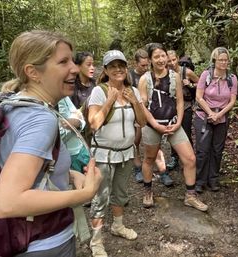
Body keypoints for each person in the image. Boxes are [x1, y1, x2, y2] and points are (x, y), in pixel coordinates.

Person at [0, 30, 101, 257]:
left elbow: (21, 166)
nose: (74, 68)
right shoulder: (40, 119)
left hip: (20, 239)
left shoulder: (13, 104)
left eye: (72, 60)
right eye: (63, 62)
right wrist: (86, 194)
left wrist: (70, 174)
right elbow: (7, 201)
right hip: (44, 243)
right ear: (33, 72)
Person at [88, 50, 147, 257]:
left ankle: (118, 226)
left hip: (126, 153)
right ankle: (96, 241)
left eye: (121, 65)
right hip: (103, 154)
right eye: (112, 66)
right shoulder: (99, 91)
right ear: (105, 70)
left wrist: (135, 102)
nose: (118, 69)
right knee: (100, 197)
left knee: (121, 192)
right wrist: (110, 100)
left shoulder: (132, 91)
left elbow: (142, 122)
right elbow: (94, 124)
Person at [138, 43, 208, 211]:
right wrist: (155, 125)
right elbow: (143, 106)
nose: (161, 60)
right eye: (156, 57)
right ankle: (148, 191)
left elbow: (179, 101)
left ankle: (190, 196)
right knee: (149, 159)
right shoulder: (144, 79)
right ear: (150, 60)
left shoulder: (174, 76)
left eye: (163, 56)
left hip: (172, 123)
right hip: (153, 125)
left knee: (190, 159)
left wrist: (178, 123)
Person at [194, 47, 238, 193]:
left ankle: (213, 179)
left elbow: (232, 101)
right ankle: (199, 180)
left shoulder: (232, 78)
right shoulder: (206, 75)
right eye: (221, 60)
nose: (224, 63)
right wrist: (210, 113)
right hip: (203, 116)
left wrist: (219, 115)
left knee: (217, 150)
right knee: (203, 149)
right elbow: (199, 97)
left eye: (226, 60)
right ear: (215, 60)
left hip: (222, 117)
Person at [129, 49, 172, 186]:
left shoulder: (153, 76)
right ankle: (137, 168)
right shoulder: (130, 77)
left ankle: (162, 171)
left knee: (155, 145)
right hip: (135, 113)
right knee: (135, 141)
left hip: (150, 115)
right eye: (142, 65)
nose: (145, 68)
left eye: (147, 65)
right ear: (135, 63)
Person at [166, 50, 199, 171]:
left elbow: (201, 84)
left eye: (174, 60)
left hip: (186, 107)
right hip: (170, 108)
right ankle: (174, 157)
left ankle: (189, 159)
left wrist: (190, 84)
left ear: (178, 58)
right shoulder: (164, 73)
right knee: (172, 132)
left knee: (185, 133)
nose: (172, 63)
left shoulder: (187, 72)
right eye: (169, 60)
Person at [58, 96, 90, 173]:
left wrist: (78, 123)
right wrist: (76, 124)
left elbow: (81, 119)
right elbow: (55, 136)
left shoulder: (63, 97)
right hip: (64, 158)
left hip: (80, 152)